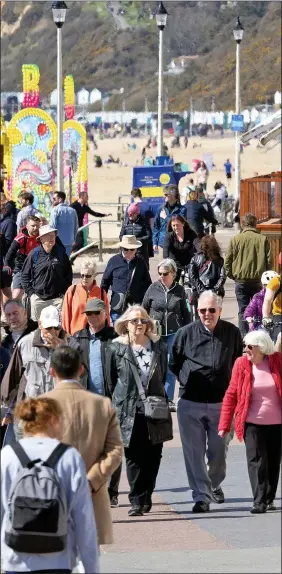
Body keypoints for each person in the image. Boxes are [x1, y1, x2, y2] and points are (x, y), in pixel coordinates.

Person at [1, 397, 99, 573]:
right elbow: (83, 517)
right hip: (58, 558)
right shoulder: (69, 456)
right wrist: (90, 566)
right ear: (52, 420)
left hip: (16, 557)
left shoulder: (8, 455)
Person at [40, 346, 123, 546]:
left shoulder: (39, 405)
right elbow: (115, 450)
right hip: (92, 497)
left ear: (52, 371)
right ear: (81, 370)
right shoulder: (102, 404)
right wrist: (91, 480)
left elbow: (33, 454)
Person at [169, 290, 243, 512]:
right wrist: (186, 379)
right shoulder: (185, 334)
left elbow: (238, 361)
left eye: (212, 310)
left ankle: (213, 484)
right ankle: (201, 496)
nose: (207, 314)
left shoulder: (231, 333)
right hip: (191, 402)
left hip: (222, 403)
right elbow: (174, 362)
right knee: (194, 453)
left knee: (219, 452)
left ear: (220, 311)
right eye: (203, 310)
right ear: (196, 311)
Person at [108, 305, 173, 516]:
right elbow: (112, 381)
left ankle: (146, 495)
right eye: (134, 321)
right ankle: (136, 499)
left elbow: (162, 376)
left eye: (143, 320)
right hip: (128, 408)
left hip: (155, 406)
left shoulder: (158, 347)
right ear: (126, 325)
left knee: (154, 455)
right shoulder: (116, 349)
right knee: (134, 456)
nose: (139, 324)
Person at [218, 330, 281, 514]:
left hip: (277, 423)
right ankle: (258, 501)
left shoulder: (277, 361)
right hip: (252, 421)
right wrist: (224, 424)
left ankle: (269, 498)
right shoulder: (241, 364)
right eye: (244, 346)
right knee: (256, 461)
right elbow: (231, 395)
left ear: (262, 348)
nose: (246, 350)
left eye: (250, 347)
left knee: (273, 461)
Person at [0, 306, 81, 435]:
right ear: (39, 324)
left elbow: (81, 375)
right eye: (48, 328)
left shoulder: (72, 345)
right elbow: (12, 376)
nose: (53, 332)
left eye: (56, 328)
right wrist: (7, 408)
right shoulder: (25, 344)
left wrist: (63, 351)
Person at [73, 298, 121, 507]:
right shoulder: (78, 338)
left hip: (110, 401)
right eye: (88, 314)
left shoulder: (115, 338)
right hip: (86, 403)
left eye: (96, 313)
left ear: (105, 313)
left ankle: (112, 491)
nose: (92, 317)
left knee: (112, 449)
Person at [143, 259, 190, 410]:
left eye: (165, 273)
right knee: (155, 365)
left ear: (173, 273)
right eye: (160, 273)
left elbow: (186, 314)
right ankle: (153, 396)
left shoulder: (180, 291)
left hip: (174, 333)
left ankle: (168, 399)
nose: (162, 276)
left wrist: (187, 333)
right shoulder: (152, 288)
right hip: (155, 334)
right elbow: (144, 308)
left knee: (170, 366)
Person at [225, 213, 273, 337]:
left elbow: (227, 261)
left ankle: (244, 337)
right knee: (259, 310)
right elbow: (269, 261)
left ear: (243, 224)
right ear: (255, 224)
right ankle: (260, 336)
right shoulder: (263, 239)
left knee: (243, 311)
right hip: (258, 281)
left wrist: (233, 275)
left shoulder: (236, 239)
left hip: (240, 281)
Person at [21, 224, 73, 321]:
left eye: (53, 235)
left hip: (57, 300)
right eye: (48, 235)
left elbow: (68, 274)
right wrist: (31, 294)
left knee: (58, 328)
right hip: (38, 299)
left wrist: (64, 293)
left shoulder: (61, 253)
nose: (51, 237)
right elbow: (24, 275)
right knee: (36, 329)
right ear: (41, 239)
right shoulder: (34, 254)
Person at [101, 235, 152, 324]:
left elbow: (148, 284)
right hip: (118, 308)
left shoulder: (140, 261)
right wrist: (102, 304)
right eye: (126, 249)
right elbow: (104, 283)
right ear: (121, 248)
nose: (129, 252)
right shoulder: (114, 261)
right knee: (118, 335)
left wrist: (146, 305)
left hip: (135, 308)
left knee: (134, 335)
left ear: (136, 249)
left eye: (132, 249)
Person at [62, 259, 110, 336]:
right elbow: (65, 316)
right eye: (82, 275)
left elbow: (106, 315)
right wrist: (66, 336)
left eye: (88, 276)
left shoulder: (101, 293)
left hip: (96, 335)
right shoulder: (72, 290)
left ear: (94, 275)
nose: (84, 278)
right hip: (76, 335)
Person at [4, 215, 40, 299]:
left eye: (37, 226)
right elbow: (10, 253)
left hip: (38, 268)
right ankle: (9, 310)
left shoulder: (42, 236)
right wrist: (6, 265)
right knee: (17, 294)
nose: (35, 228)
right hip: (21, 268)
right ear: (27, 226)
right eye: (33, 226)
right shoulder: (20, 238)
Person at [188, 235, 226, 306]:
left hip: (198, 292)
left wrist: (201, 289)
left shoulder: (195, 259)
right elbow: (222, 277)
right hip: (216, 293)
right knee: (214, 314)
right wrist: (214, 289)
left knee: (199, 314)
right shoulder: (220, 260)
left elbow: (192, 277)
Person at [163, 214, 198, 281]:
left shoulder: (191, 234)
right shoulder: (169, 236)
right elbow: (165, 250)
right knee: (171, 284)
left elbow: (198, 244)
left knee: (193, 284)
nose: (175, 227)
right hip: (174, 265)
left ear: (183, 224)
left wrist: (201, 255)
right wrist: (166, 262)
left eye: (177, 225)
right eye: (173, 225)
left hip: (189, 263)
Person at [153, 185, 185, 254]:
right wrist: (155, 242)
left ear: (173, 195)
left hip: (177, 244)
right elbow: (156, 226)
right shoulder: (160, 209)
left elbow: (180, 225)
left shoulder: (182, 210)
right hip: (162, 244)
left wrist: (166, 217)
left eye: (165, 194)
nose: (163, 196)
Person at [50, 191, 78, 256]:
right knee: (66, 261)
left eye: (54, 199)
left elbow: (52, 226)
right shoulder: (73, 210)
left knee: (57, 262)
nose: (52, 200)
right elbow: (76, 227)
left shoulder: (55, 210)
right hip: (69, 241)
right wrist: (73, 239)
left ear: (60, 199)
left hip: (57, 242)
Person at [262, 252, 282, 343]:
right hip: (279, 315)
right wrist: (265, 317)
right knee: (280, 337)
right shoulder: (276, 281)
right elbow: (268, 300)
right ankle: (276, 357)